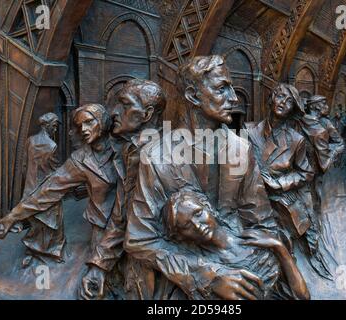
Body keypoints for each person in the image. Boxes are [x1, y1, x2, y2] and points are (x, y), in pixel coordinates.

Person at [114, 55, 283, 300]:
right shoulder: (157, 156)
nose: (234, 98)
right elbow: (140, 239)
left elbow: (262, 223)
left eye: (232, 88)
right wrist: (206, 276)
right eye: (221, 88)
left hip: (240, 264)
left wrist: (246, 260)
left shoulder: (240, 149)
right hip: (180, 276)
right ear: (193, 96)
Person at [0, 104, 118, 270]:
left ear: (103, 122)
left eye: (89, 122)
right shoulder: (80, 160)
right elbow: (47, 191)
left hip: (127, 227)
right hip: (104, 233)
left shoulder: (123, 149)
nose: (83, 129)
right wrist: (11, 218)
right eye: (80, 125)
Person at [80, 79, 167, 300]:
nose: (114, 112)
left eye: (124, 105)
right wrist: (99, 265)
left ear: (146, 115)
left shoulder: (159, 154)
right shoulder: (133, 150)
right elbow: (121, 214)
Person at [162, 189, 310, 300]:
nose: (198, 226)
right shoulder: (208, 271)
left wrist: (279, 248)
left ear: (208, 206)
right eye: (186, 226)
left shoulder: (257, 238)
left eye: (198, 214)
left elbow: (302, 296)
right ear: (181, 236)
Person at [244, 83, 314, 256]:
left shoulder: (296, 141)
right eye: (280, 96)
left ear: (293, 110)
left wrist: (280, 184)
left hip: (276, 202)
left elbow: (306, 173)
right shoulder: (247, 130)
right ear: (271, 99)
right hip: (248, 200)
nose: (283, 103)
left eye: (289, 101)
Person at [20, 112, 65, 267]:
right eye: (54, 127)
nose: (55, 130)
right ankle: (52, 250)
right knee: (54, 220)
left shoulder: (30, 141)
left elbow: (24, 166)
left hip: (30, 189)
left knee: (36, 222)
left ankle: (32, 250)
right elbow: (55, 171)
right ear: (49, 126)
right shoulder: (52, 146)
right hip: (46, 190)